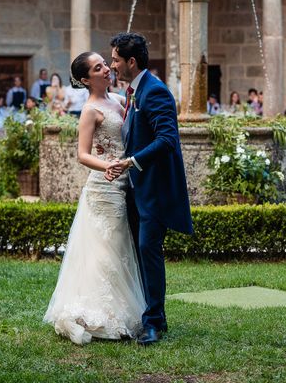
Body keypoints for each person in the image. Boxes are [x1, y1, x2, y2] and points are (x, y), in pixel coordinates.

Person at [44, 51, 145, 345]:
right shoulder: (89, 110)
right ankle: (100, 312)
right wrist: (108, 166)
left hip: (125, 180)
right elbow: (82, 154)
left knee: (120, 246)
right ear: (87, 79)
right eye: (98, 67)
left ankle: (121, 307)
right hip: (104, 185)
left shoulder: (117, 101)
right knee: (107, 247)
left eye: (105, 64)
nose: (106, 69)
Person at [109, 32, 192, 345]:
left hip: (154, 191)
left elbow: (167, 141)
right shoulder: (134, 91)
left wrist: (131, 162)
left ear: (131, 61)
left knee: (148, 251)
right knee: (140, 253)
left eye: (116, 59)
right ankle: (154, 315)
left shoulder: (155, 91)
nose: (112, 65)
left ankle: (154, 323)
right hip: (135, 190)